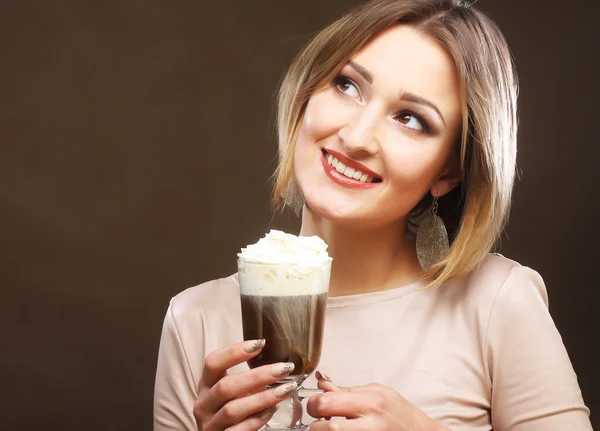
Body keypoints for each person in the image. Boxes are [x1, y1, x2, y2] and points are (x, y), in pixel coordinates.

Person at [153, 0, 592, 429]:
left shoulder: (498, 302)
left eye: (411, 119)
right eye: (347, 86)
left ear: (449, 172)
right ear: (308, 93)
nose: (357, 137)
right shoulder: (196, 320)